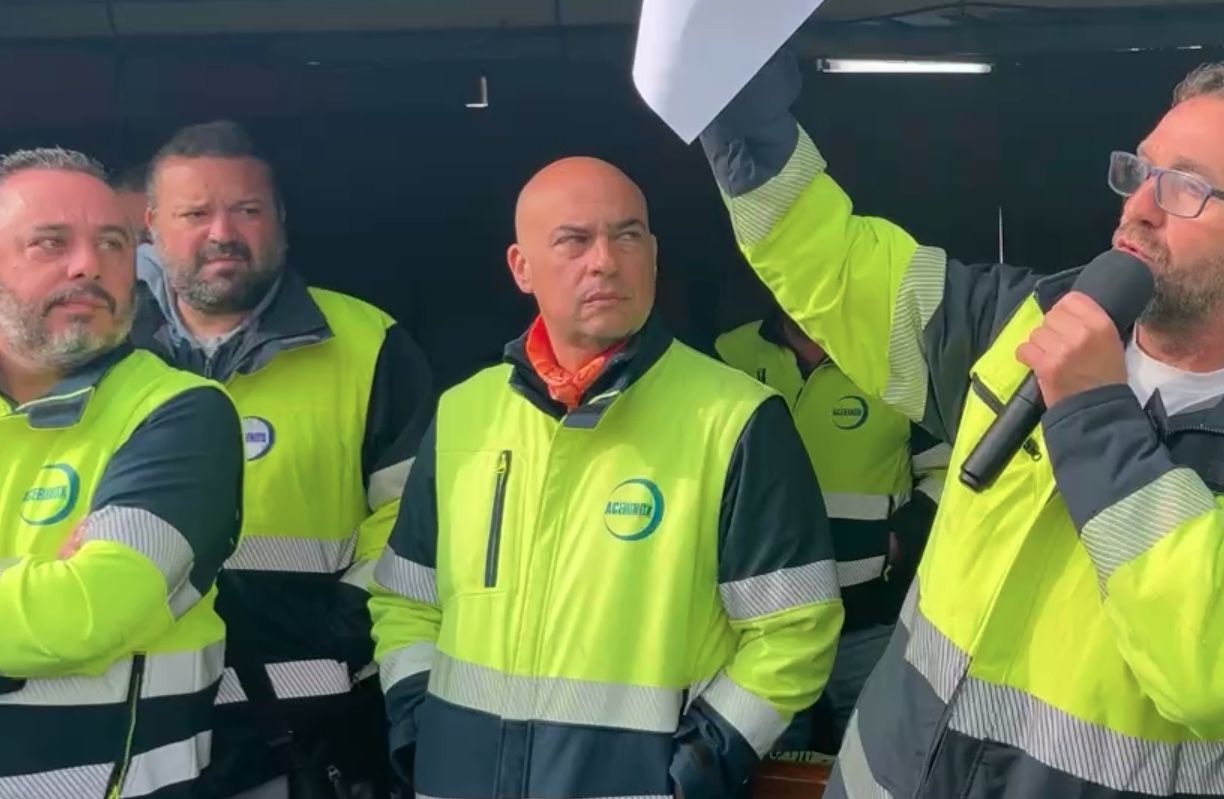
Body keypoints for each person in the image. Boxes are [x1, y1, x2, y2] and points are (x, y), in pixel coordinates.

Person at [631, 0, 1224, 799]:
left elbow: (1216, 672)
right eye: (1140, 170)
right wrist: (725, 54)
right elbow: (821, 253)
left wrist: (1093, 413)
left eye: (1190, 187)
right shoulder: (1016, 321)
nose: (1141, 210)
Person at [368, 156, 842, 799]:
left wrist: (696, 769)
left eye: (628, 236)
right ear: (521, 268)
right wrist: (422, 729)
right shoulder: (463, 413)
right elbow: (405, 599)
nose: (605, 261)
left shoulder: (735, 418)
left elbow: (796, 629)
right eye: (574, 239)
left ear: (653, 254)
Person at [131, 120, 433, 798]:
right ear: (151, 225)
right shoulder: (109, 357)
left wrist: (343, 624)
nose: (222, 233)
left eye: (246, 209)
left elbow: (415, 513)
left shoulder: (368, 343)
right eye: (195, 213)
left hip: (305, 730)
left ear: (282, 220)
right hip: (137, 731)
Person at [0, 147, 243, 798]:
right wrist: (35, 584)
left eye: (113, 243)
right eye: (50, 243)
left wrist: (65, 597)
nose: (88, 265)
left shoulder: (181, 412)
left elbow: (82, 616)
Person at [714, 303, 941, 753]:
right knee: (770, 777)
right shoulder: (729, 351)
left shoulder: (895, 358)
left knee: (873, 769)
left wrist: (899, 541)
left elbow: (947, 471)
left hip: (871, 628)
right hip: (759, 633)